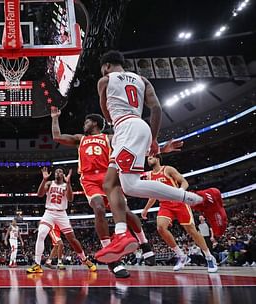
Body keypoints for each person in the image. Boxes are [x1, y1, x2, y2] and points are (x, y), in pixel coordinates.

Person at [95, 50, 227, 264]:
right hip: (137, 127)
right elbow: (156, 108)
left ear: (107, 65)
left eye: (103, 67)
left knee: (129, 186)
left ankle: (201, 200)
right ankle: (120, 234)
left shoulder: (104, 80)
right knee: (110, 183)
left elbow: (106, 112)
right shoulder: (143, 80)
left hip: (125, 128)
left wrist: (119, 124)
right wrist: (153, 139)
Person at [51, 107, 170, 277]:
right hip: (89, 179)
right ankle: (111, 257)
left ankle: (144, 243)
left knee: (126, 213)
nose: (84, 124)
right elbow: (57, 137)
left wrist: (159, 149)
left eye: (87, 122)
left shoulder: (109, 138)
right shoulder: (80, 139)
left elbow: (134, 144)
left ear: (95, 123)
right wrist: (55, 118)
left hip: (109, 175)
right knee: (98, 208)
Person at [27, 167, 97, 273]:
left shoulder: (65, 186)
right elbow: (39, 194)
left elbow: (70, 199)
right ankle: (37, 265)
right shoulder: (49, 183)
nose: (58, 173)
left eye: (60, 171)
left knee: (72, 239)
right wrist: (44, 179)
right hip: (49, 212)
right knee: (41, 233)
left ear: (63, 175)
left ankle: (85, 259)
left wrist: (68, 183)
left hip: (61, 214)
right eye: (56, 171)